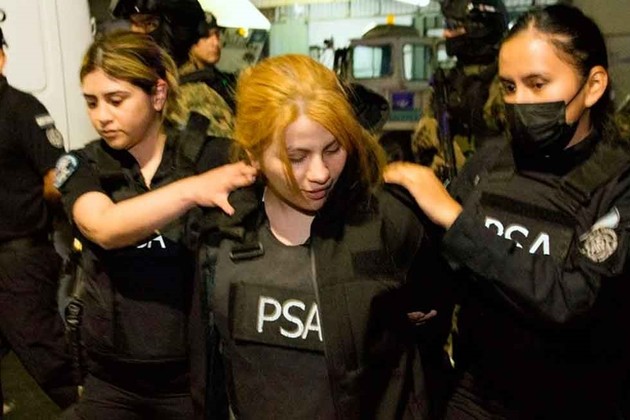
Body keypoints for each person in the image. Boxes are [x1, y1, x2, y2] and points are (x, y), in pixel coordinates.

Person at [385, 4, 630, 418]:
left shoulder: (617, 183)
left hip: (580, 401)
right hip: (478, 394)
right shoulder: (491, 162)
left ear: (593, 86)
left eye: (537, 84)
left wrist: (457, 220)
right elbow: (446, 265)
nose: (520, 102)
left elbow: (571, 299)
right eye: (510, 87)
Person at [190, 54, 454, 419]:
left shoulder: (390, 223)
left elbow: (432, 333)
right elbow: (210, 375)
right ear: (253, 154)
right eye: (296, 157)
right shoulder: (222, 235)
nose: (320, 174)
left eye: (333, 149)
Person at [56, 31, 256, 419]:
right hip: (111, 383)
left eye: (116, 100)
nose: (101, 116)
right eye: (92, 102)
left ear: (158, 94)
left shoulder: (213, 157)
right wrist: (194, 190)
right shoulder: (83, 166)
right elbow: (104, 227)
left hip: (192, 381)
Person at [0, 26, 80, 412]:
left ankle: (89, 410)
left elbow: (56, 176)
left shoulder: (20, 109)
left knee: (47, 357)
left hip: (19, 258)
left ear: (1, 57)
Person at [109, 0, 235, 139]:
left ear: (177, 33)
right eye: (133, 24)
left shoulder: (191, 100)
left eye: (149, 24)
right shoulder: (149, 89)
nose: (135, 33)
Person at [412, 0, 508, 179]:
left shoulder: (506, 82)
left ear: (480, 28)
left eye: (452, 26)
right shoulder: (448, 82)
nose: (446, 33)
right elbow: (424, 146)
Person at [179, 11, 237, 113]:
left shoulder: (222, 79)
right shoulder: (182, 83)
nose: (216, 43)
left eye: (217, 35)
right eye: (206, 36)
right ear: (191, 41)